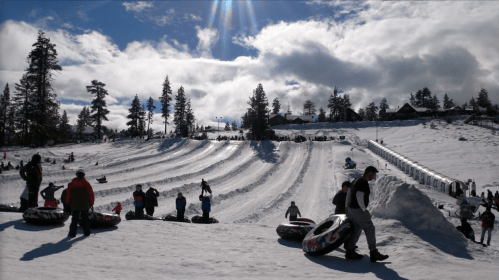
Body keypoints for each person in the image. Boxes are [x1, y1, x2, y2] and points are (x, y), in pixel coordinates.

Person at [344, 166, 389, 262]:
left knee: (356, 229)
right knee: (370, 228)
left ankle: (350, 251)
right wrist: (364, 210)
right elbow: (359, 195)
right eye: (374, 174)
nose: (374, 176)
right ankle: (373, 252)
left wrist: (346, 207)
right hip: (358, 209)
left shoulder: (356, 179)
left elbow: (349, 192)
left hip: (352, 209)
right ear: (370, 173)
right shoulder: (363, 182)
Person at [65, 169, 94, 237]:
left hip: (75, 205)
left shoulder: (71, 184)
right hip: (85, 204)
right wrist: (91, 203)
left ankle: (72, 233)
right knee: (85, 219)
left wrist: (67, 203)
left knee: (74, 219)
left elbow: (68, 194)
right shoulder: (86, 184)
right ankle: (87, 232)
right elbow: (91, 194)